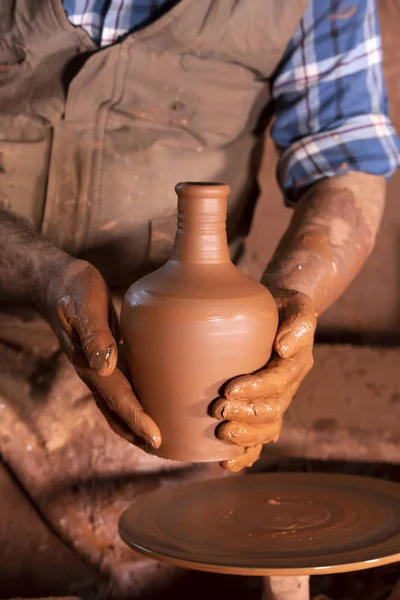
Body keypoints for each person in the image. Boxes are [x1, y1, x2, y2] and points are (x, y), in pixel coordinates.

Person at [0, 0, 398, 597]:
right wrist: (37, 270)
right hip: (7, 323)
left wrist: (293, 297)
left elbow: (345, 163)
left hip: (182, 359)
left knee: (240, 530)